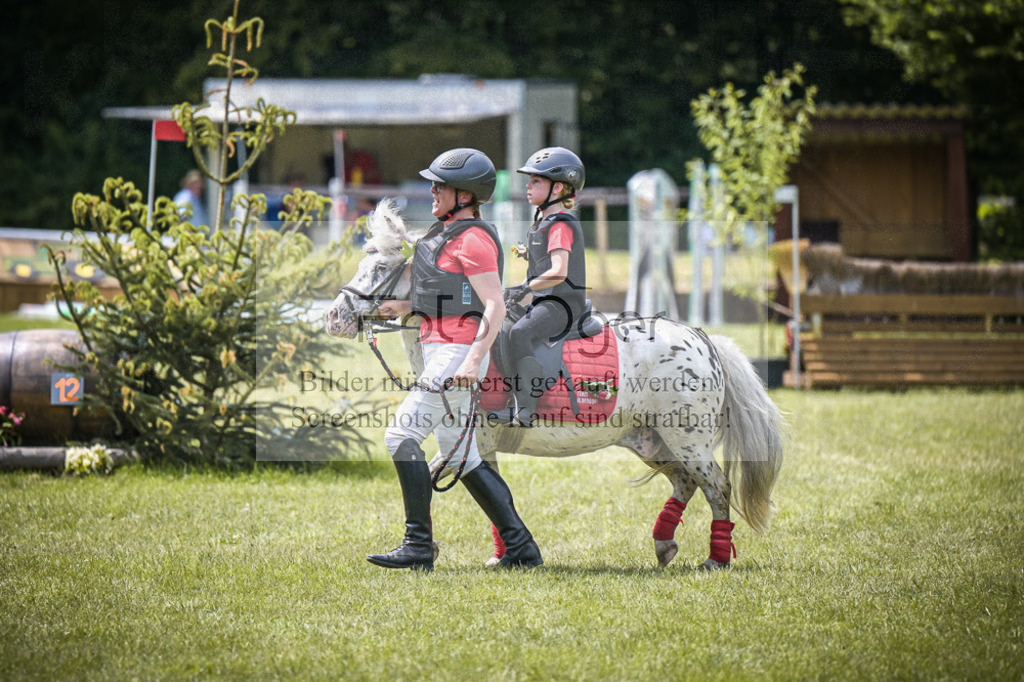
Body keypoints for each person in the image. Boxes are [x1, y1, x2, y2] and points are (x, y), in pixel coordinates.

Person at [368, 147, 542, 572]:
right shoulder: (444, 234)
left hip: (457, 355)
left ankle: (418, 547)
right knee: (462, 458)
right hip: (441, 351)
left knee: (399, 436)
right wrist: (407, 306)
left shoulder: (474, 239)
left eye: (440, 185)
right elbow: (450, 294)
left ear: (465, 194)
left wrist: (471, 361)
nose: (432, 190)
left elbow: (494, 306)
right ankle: (521, 549)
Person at [493, 147, 587, 427]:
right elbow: (540, 270)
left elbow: (558, 272)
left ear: (557, 188)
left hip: (563, 305)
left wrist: (526, 288)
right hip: (545, 300)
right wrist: (517, 288)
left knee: (521, 332)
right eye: (530, 180)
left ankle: (524, 410)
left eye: (536, 181)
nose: (528, 186)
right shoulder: (541, 223)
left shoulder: (560, 225)